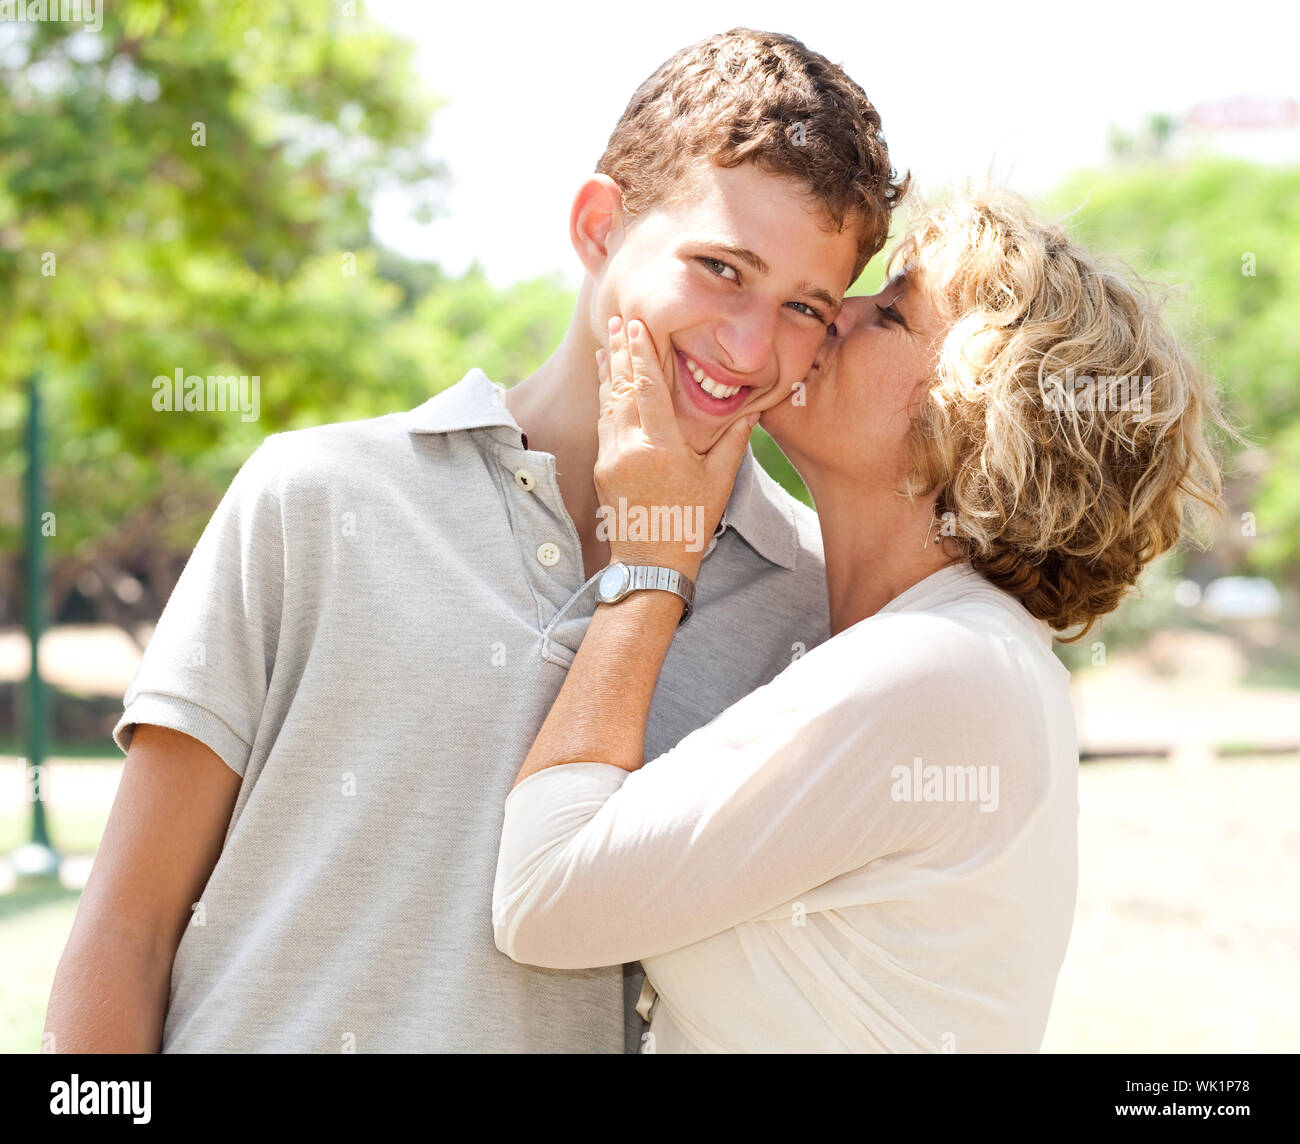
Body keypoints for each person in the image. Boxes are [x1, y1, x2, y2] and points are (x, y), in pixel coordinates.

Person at [43, 28, 906, 1053]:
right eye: (720, 268)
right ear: (597, 226)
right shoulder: (314, 497)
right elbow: (127, 928)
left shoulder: (814, 613)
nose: (750, 347)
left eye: (804, 306)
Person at [492, 193, 1228, 1052]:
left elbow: (542, 896)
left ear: (981, 411)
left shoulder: (937, 669)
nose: (829, 315)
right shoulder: (945, 654)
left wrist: (654, 563)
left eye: (890, 311)